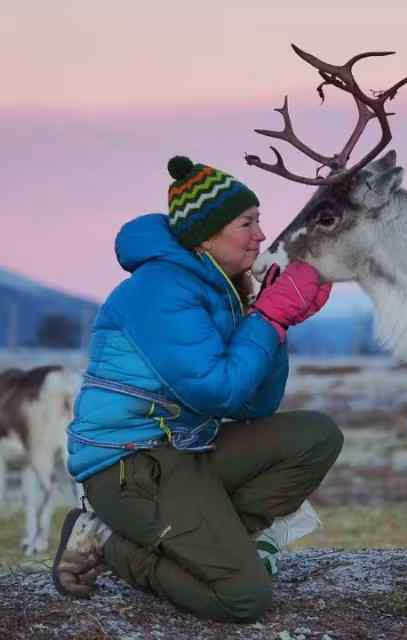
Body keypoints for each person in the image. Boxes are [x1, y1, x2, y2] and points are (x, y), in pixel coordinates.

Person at [52, 156, 343, 623]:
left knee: (316, 436)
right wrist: (268, 319)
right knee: (245, 598)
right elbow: (218, 394)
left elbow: (255, 404)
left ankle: (224, 541)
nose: (261, 236)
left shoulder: (218, 288)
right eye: (247, 223)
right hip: (130, 468)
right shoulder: (162, 289)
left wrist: (274, 326)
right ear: (206, 235)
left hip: (182, 452)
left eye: (259, 221)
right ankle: (108, 542)